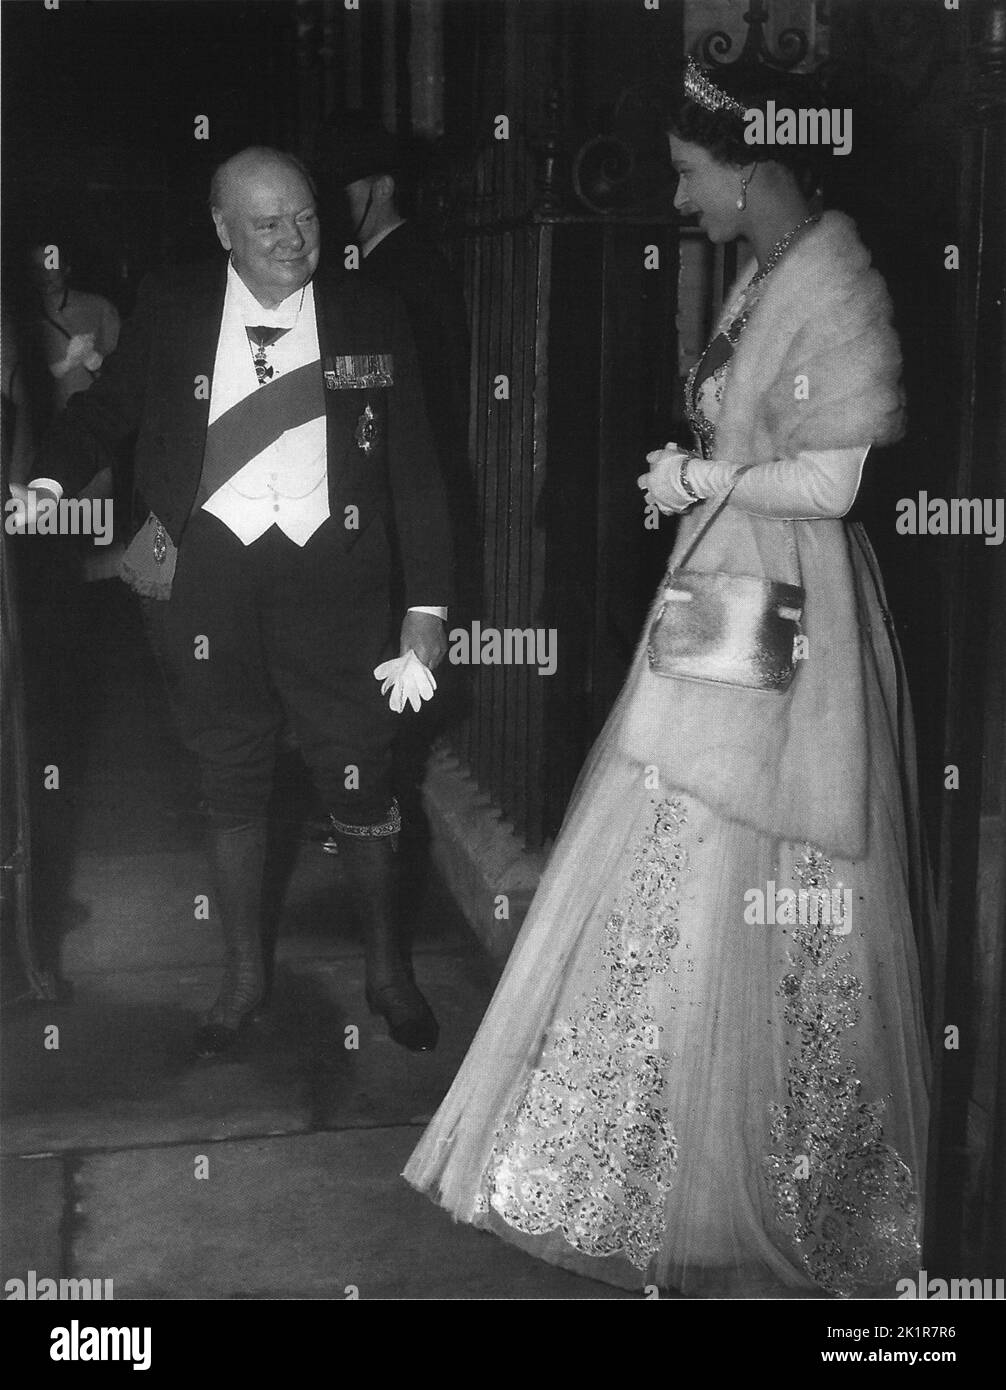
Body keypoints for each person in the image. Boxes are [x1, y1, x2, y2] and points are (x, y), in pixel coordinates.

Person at [404, 62, 931, 1298]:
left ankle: (762, 1165)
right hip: (734, 582)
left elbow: (836, 484)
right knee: (678, 830)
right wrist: (696, 474)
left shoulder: (835, 282)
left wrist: (704, 483)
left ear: (751, 168)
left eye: (691, 176)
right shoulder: (764, 270)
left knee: (748, 837)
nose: (682, 202)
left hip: (784, 595)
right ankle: (647, 1144)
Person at [14, 147, 453, 1059]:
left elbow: (415, 465)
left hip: (336, 583)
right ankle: (243, 977)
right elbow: (107, 411)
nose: (295, 240)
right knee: (229, 775)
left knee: (360, 774)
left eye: (306, 219)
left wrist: (430, 610)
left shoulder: (370, 310)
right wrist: (53, 481)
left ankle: (387, 971)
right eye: (268, 225)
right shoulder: (175, 307)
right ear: (223, 231)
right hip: (206, 582)